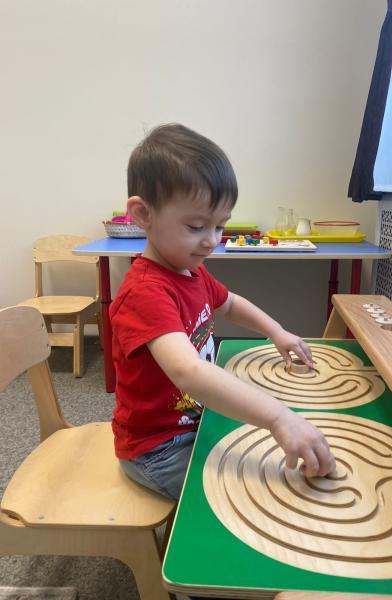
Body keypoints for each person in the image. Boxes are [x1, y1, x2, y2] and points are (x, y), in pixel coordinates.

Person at [110, 123, 335, 501]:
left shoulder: (190, 270)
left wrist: (276, 331)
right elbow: (189, 371)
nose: (212, 240)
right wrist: (278, 417)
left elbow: (230, 303)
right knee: (251, 497)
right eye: (197, 226)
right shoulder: (145, 292)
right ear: (143, 214)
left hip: (195, 420)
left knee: (272, 455)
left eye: (220, 226)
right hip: (159, 449)